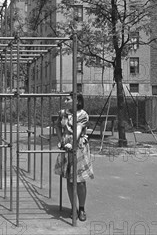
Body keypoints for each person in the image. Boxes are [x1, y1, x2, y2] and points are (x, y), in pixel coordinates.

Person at [54, 94, 94, 222]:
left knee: (80, 180)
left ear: (76, 101)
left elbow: (78, 128)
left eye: (68, 99)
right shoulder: (63, 113)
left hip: (78, 147)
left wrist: (73, 143)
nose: (65, 101)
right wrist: (61, 140)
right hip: (66, 147)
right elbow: (57, 126)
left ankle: (81, 208)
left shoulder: (83, 115)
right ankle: (73, 208)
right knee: (70, 180)